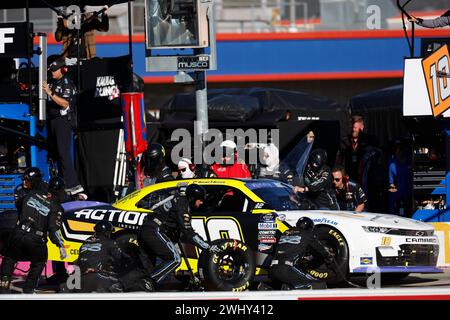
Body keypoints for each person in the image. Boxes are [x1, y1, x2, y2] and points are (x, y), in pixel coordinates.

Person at [117, 184, 219, 292]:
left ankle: (118, 285)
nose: (201, 203)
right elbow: (188, 233)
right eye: (200, 200)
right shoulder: (182, 206)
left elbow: (179, 230)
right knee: (175, 259)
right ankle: (149, 282)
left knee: (147, 268)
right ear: (193, 198)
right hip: (154, 230)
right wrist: (207, 246)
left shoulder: (179, 201)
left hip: (146, 229)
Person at [0, 170, 67, 293]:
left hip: (18, 233)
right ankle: (29, 289)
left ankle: (4, 282)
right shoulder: (57, 207)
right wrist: (60, 244)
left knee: (9, 256)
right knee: (39, 261)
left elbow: (19, 205)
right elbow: (53, 230)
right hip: (35, 239)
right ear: (60, 191)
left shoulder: (31, 193)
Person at [43, 58, 86, 199]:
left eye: (54, 70)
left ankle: (74, 185)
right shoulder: (54, 83)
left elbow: (65, 103)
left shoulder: (67, 84)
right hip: (53, 121)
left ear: (63, 69)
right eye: (51, 70)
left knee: (64, 153)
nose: (52, 72)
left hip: (63, 121)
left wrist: (50, 93)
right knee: (54, 154)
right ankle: (61, 184)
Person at [269, 217, 333, 290]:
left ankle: (267, 287)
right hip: (287, 268)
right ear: (309, 228)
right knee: (320, 285)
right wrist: (329, 256)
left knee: (286, 283)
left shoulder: (285, 233)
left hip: (273, 269)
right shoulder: (307, 234)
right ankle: (289, 288)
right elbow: (321, 250)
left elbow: (291, 248)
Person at [66, 221, 131, 293]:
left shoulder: (86, 241)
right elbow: (121, 257)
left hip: (78, 277)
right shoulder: (109, 242)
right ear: (107, 232)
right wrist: (131, 259)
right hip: (95, 276)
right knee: (123, 284)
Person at [335, 116, 378, 184]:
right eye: (352, 127)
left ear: (361, 128)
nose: (353, 129)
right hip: (350, 176)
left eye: (355, 127)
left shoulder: (369, 140)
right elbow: (340, 159)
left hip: (365, 178)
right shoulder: (346, 141)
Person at [388, 142, 412, 217]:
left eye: (400, 150)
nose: (397, 152)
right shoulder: (392, 165)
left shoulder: (410, 164)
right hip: (397, 197)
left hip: (410, 196)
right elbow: (391, 183)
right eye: (397, 150)